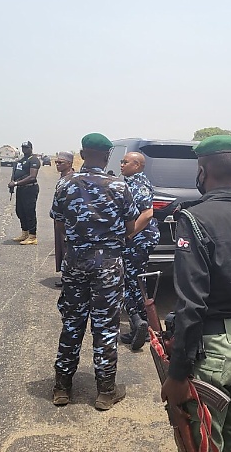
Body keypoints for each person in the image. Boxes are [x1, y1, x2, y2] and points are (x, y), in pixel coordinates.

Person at [160, 135, 231, 452]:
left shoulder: (194, 219)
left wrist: (178, 372)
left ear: (203, 170)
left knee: (203, 441)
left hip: (210, 353)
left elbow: (191, 304)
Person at [49, 133, 138, 409]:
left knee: (72, 323)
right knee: (106, 327)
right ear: (108, 155)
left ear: (82, 154)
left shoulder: (65, 185)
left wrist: (79, 242)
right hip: (108, 265)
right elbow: (131, 228)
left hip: (76, 261)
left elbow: (60, 224)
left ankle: (62, 388)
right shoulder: (119, 187)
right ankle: (105, 391)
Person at [118, 152, 160, 350]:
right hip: (139, 239)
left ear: (137, 165)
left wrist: (128, 235)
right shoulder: (132, 180)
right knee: (135, 280)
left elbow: (147, 213)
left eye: (125, 162)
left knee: (132, 281)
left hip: (138, 239)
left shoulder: (137, 184)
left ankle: (140, 324)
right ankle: (140, 324)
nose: (121, 164)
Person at [8, 141, 40, 245]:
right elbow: (15, 173)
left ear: (31, 148)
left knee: (29, 212)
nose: (24, 149)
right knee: (20, 211)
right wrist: (12, 183)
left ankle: (32, 236)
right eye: (23, 148)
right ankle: (24, 233)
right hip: (20, 189)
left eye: (26, 148)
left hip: (30, 189)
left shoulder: (34, 160)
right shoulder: (21, 160)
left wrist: (16, 183)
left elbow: (32, 176)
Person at [52, 151, 75, 288]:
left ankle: (67, 276)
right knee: (61, 247)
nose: (58, 165)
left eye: (61, 163)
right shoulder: (63, 177)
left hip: (67, 221)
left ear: (70, 164)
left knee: (67, 248)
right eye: (56, 162)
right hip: (60, 218)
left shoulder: (71, 178)